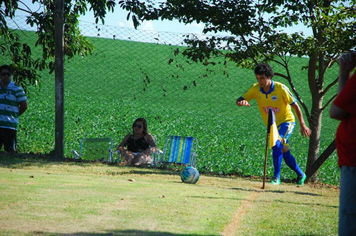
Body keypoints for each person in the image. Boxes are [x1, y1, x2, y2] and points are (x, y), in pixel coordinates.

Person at [236, 63, 312, 185]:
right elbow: (239, 99)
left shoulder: (281, 88)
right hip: (273, 126)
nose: (259, 81)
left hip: (287, 122)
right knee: (284, 151)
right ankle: (301, 174)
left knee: (276, 145)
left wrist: (303, 124)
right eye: (257, 78)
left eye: (262, 78)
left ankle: (276, 177)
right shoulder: (255, 89)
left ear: (269, 76)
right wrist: (241, 102)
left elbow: (295, 106)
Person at [329, 51, 356, 236]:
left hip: (354, 160)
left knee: (350, 218)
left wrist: (344, 73)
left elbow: (337, 111)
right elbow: (345, 104)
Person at [0, 65, 28, 153]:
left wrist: (14, 115)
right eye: (3, 74)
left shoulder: (17, 89)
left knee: (10, 151)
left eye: (8, 74)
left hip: (10, 126)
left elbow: (24, 106)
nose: (6, 76)